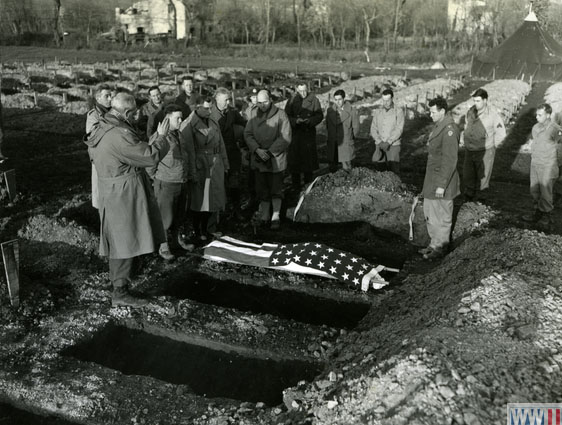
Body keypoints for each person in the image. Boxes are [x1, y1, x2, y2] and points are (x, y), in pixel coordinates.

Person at [84, 92, 171, 307]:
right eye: (134, 112)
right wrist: (161, 137)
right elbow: (149, 155)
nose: (137, 115)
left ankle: (120, 282)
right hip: (123, 191)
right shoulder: (119, 134)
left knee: (119, 238)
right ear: (127, 112)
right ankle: (120, 291)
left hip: (111, 188)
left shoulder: (102, 126)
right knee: (125, 239)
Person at [148, 104, 195, 261]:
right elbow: (150, 162)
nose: (181, 120)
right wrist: (158, 178)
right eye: (177, 118)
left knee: (179, 215)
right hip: (166, 183)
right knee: (165, 217)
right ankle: (163, 246)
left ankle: (177, 240)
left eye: (182, 117)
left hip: (181, 181)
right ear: (167, 118)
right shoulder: (159, 137)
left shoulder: (179, 134)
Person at [182, 97, 229, 244]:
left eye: (211, 108)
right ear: (197, 108)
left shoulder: (212, 120)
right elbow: (188, 151)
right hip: (200, 164)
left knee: (214, 198)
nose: (210, 111)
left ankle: (210, 227)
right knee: (200, 199)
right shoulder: (189, 124)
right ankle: (198, 230)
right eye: (206, 108)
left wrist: (225, 163)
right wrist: (192, 171)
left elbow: (221, 144)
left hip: (215, 163)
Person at [420, 96, 460, 260]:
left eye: (433, 112)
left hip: (443, 180)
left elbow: (450, 160)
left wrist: (442, 185)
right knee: (430, 211)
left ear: (442, 111)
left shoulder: (450, 129)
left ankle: (441, 247)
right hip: (432, 178)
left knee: (442, 215)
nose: (431, 115)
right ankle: (433, 244)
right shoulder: (440, 125)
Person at [244, 90, 292, 230]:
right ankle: (265, 215)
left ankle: (275, 215)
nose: (262, 105)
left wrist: (270, 152)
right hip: (259, 158)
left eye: (265, 102)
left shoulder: (281, 115)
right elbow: (248, 134)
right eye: (259, 103)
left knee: (276, 188)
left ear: (271, 100)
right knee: (262, 188)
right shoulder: (253, 115)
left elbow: (286, 136)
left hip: (276, 158)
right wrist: (257, 149)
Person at [461, 88, 506, 201]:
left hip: (485, 151)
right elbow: (466, 126)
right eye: (474, 101)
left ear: (485, 100)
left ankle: (480, 201)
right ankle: (468, 198)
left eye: (478, 101)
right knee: (468, 175)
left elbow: (501, 133)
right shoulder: (470, 112)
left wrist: (491, 146)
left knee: (483, 177)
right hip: (470, 150)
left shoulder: (492, 115)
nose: (475, 103)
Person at [210, 87, 247, 219]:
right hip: (217, 154)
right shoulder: (209, 114)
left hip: (232, 153)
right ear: (217, 100)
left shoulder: (231, 112)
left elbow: (243, 124)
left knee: (235, 183)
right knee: (220, 184)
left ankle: (236, 210)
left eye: (229, 100)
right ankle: (220, 213)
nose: (228, 103)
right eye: (225, 100)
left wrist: (240, 135)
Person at [523, 103, 562, 225]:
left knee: (546, 191)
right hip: (536, 162)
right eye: (537, 115)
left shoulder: (555, 129)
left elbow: (560, 147)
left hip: (548, 165)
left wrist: (558, 164)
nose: (537, 117)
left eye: (540, 115)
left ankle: (546, 215)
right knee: (534, 189)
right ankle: (537, 212)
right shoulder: (535, 127)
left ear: (548, 115)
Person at [284, 82, 323, 190]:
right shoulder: (291, 100)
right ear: (297, 90)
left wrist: (310, 121)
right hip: (295, 135)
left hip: (308, 135)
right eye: (300, 91)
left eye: (305, 90)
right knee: (295, 162)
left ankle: (308, 186)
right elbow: (286, 116)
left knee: (308, 162)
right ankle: (295, 186)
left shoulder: (314, 100)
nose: (303, 93)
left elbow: (319, 115)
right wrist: (295, 121)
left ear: (308, 89)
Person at [86, 84, 113, 209]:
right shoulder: (93, 115)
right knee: (101, 195)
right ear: (98, 98)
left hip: (113, 158)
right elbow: (94, 138)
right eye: (107, 96)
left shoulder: (112, 112)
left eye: (111, 95)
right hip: (101, 158)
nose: (110, 98)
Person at [370, 88, 404, 175]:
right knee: (379, 169)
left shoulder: (399, 111)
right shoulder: (378, 111)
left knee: (393, 170)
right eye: (383, 100)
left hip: (393, 145)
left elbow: (399, 129)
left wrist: (388, 142)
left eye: (387, 100)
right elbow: (373, 128)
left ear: (392, 99)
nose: (385, 103)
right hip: (380, 144)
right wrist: (379, 141)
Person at [326, 89, 359, 172]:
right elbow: (328, 127)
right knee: (332, 169)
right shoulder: (330, 111)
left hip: (346, 144)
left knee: (347, 169)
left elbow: (356, 128)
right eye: (336, 100)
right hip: (333, 144)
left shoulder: (352, 111)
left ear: (344, 99)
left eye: (340, 99)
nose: (338, 102)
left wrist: (350, 139)